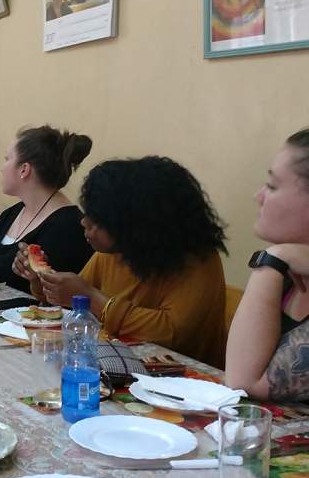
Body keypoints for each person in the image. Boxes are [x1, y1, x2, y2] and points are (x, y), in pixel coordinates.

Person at [13, 156, 228, 367]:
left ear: (135, 224)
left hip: (179, 384)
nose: (84, 222)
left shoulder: (198, 261)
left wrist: (93, 299)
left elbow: (169, 332)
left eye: (98, 218)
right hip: (110, 365)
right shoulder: (117, 251)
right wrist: (42, 281)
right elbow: (75, 305)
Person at [225, 129, 309, 401]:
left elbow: (243, 382)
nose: (258, 196)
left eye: (272, 186)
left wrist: (273, 258)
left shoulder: (280, 264)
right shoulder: (290, 272)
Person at [0, 126, 94, 293]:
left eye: (7, 159)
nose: (2, 168)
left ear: (24, 170)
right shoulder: (9, 215)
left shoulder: (69, 227)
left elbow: (63, 300)